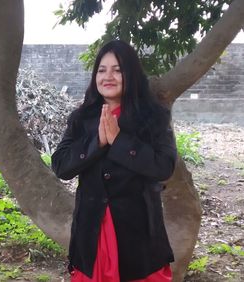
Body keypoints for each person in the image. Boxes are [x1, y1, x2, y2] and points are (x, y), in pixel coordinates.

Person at [51, 40, 177, 282]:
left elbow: (164, 167)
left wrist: (119, 140)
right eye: (101, 70)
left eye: (117, 70)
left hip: (139, 234)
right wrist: (96, 142)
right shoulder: (81, 118)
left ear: (132, 74)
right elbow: (61, 166)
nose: (108, 76)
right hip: (92, 232)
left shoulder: (154, 118)